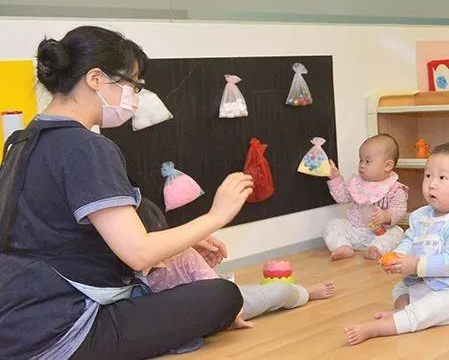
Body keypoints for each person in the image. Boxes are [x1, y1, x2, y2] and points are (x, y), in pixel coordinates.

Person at [0, 26, 253, 359]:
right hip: (60, 332)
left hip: (14, 322)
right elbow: (138, 253)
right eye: (132, 84)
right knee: (223, 296)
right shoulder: (87, 147)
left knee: (153, 231)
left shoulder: (20, 140)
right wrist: (216, 216)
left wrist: (184, 242)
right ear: (95, 79)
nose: (134, 95)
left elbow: (63, 237)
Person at [344, 142, 449, 345]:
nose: (432, 184)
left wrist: (415, 264)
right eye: (428, 175)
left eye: (442, 178)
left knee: (430, 307)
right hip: (428, 283)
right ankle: (402, 314)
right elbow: (410, 240)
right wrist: (399, 256)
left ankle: (378, 328)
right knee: (400, 290)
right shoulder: (421, 216)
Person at [135, 198, 335, 330]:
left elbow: (216, 290)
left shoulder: (184, 255)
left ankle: (305, 293)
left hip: (220, 301)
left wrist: (233, 314)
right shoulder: (127, 271)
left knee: (279, 292)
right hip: (184, 315)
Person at [324, 134, 409, 260]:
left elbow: (399, 209)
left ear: (387, 166)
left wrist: (386, 215)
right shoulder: (357, 183)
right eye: (361, 160)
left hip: (380, 233)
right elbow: (343, 198)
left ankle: (375, 249)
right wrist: (335, 179)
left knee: (397, 233)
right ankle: (343, 246)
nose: (362, 165)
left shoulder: (395, 188)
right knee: (333, 224)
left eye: (367, 161)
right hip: (354, 229)